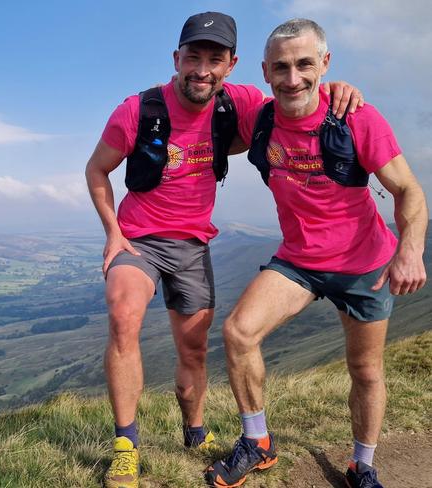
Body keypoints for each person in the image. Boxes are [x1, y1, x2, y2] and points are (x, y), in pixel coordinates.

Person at [85, 12, 362, 488]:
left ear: (232, 65)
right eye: (193, 57)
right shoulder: (138, 110)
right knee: (123, 312)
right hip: (139, 239)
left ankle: (194, 433)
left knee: (193, 350)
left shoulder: (238, 103)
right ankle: (126, 446)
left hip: (193, 244)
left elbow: (294, 104)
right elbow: (97, 170)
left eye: (215, 59)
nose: (202, 69)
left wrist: (339, 90)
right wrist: (113, 233)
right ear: (177, 59)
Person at [204, 18, 428, 488]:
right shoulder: (259, 117)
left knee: (365, 370)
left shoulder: (357, 118)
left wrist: (410, 250)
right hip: (299, 261)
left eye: (305, 64)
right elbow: (204, 90)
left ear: (325, 64)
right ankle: (257, 443)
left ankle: (362, 465)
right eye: (281, 67)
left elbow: (408, 190)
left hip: (364, 265)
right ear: (264, 71)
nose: (293, 79)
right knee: (238, 333)